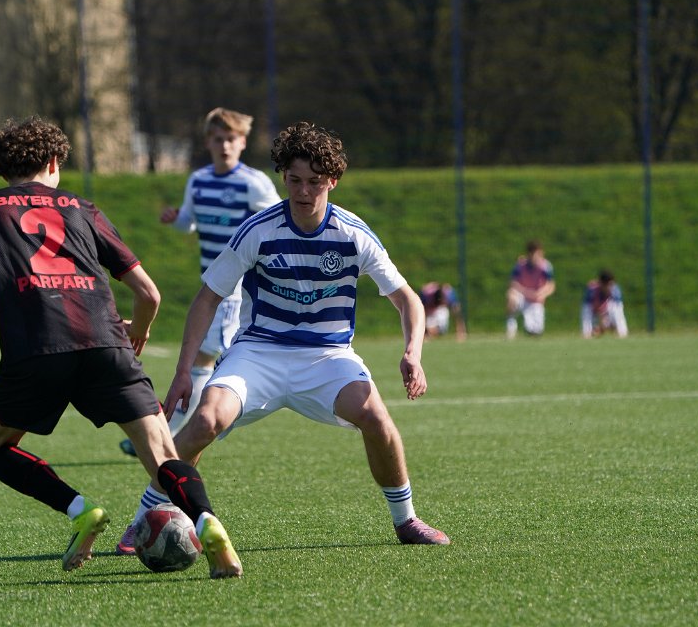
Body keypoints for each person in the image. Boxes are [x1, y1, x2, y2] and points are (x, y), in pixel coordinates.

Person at [0, 116, 241, 577]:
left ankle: (80, 510)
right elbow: (148, 293)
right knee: (162, 456)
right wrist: (138, 330)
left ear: (1, 167)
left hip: (36, 351)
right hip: (106, 344)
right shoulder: (80, 206)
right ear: (55, 162)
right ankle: (207, 520)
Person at [117, 121, 449, 553]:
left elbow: (408, 300)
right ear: (283, 178)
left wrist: (413, 353)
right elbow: (207, 298)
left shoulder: (353, 234)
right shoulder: (259, 229)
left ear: (333, 180)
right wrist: (183, 372)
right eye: (294, 180)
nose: (303, 191)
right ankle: (145, 517)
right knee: (205, 420)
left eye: (315, 182)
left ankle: (406, 520)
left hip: (327, 356)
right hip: (259, 352)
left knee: (376, 418)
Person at [120, 107, 280, 458]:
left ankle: (165, 436)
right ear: (208, 142)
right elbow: (189, 223)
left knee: (203, 359)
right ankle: (171, 433)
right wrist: (176, 218)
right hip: (212, 284)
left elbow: (280, 221)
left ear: (243, 142)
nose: (225, 146)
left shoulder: (253, 183)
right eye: (218, 139)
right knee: (207, 359)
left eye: (232, 139)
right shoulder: (199, 180)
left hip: (237, 288)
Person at [505, 240, 555, 339]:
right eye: (537, 254)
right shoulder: (520, 265)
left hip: (536, 300)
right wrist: (526, 292)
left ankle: (530, 329)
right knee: (511, 295)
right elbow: (513, 283)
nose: (539, 257)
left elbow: (551, 286)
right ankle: (511, 328)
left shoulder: (546, 266)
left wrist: (541, 294)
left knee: (535, 332)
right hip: (523, 296)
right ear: (530, 254)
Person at [581, 269, 629, 338]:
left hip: (607, 313)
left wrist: (604, 323)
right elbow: (588, 309)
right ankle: (590, 333)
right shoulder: (591, 290)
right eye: (608, 285)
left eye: (611, 284)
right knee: (587, 332)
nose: (610, 287)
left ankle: (621, 333)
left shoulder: (615, 291)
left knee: (616, 310)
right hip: (594, 309)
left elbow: (618, 310)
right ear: (601, 283)